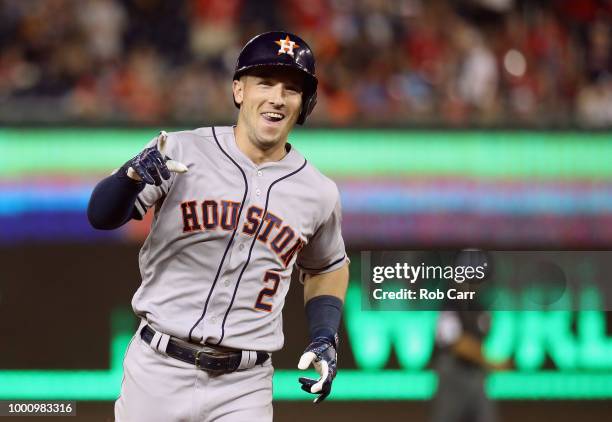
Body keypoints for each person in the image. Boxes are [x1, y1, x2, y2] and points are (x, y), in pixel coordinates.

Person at [87, 31, 349, 422]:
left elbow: (328, 266)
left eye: (291, 89)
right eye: (265, 83)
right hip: (158, 369)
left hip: (244, 384)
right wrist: (127, 179)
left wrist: (325, 335)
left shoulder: (318, 191)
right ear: (239, 90)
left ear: (304, 104)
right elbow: (101, 217)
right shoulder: (179, 151)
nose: (277, 98)